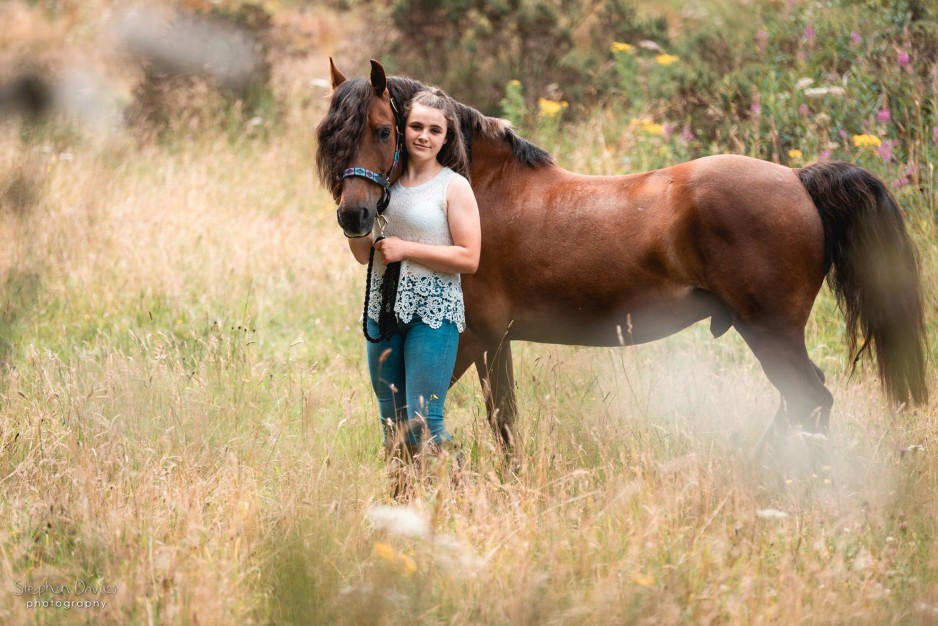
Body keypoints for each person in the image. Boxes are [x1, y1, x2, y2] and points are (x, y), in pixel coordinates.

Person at [347, 88, 481, 457]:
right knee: (392, 422)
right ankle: (402, 500)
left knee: (425, 422)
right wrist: (351, 221)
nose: (424, 136)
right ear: (403, 129)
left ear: (446, 137)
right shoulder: (381, 184)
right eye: (416, 126)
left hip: (433, 315)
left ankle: (461, 495)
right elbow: (363, 254)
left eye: (434, 130)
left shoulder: (454, 186)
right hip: (381, 313)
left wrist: (407, 249)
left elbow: (470, 258)